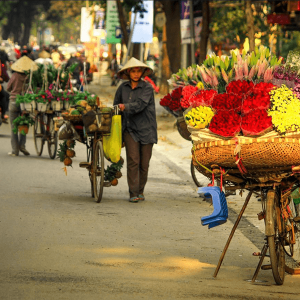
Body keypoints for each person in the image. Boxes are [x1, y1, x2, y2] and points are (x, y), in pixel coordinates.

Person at [113, 57, 157, 203]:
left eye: (139, 71)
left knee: (144, 164)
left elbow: (140, 105)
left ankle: (140, 190)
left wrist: (126, 107)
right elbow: (115, 107)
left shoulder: (147, 88)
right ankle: (133, 192)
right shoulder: (122, 88)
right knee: (133, 161)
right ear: (128, 72)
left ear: (142, 72)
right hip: (129, 129)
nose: (136, 74)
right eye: (133, 71)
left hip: (146, 129)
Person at [7, 55, 38, 156]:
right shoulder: (29, 77)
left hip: (14, 101)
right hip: (26, 103)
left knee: (14, 127)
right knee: (24, 125)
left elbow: (8, 88)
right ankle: (22, 146)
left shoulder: (15, 75)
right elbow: (34, 89)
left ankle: (15, 151)